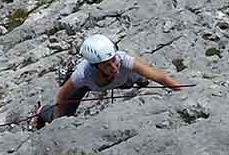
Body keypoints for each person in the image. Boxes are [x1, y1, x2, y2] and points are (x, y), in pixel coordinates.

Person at [29, 34, 184, 129]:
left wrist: (180, 90)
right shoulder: (83, 75)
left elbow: (159, 77)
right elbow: (62, 97)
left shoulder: (124, 60)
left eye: (113, 60)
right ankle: (42, 112)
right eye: (106, 64)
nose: (113, 66)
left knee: (139, 76)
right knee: (63, 115)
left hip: (124, 80)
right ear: (96, 66)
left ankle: (138, 81)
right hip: (89, 86)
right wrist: (58, 121)